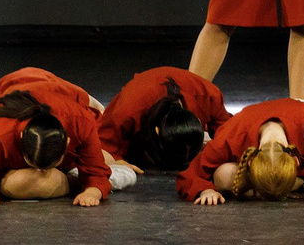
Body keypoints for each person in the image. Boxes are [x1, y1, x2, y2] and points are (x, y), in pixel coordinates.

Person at [0, 70, 113, 206]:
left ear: (67, 143)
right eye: (33, 164)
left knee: (108, 155)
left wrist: (93, 191)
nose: (39, 172)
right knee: (25, 183)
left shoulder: (80, 120)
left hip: (62, 91)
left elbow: (96, 171)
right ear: (21, 138)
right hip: (14, 85)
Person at [179, 98, 304, 206]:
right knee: (223, 176)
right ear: (250, 161)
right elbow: (189, 175)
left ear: (296, 161)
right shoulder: (230, 135)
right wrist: (205, 190)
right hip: (290, 168)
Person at [97, 66, 232, 172]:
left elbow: (228, 135)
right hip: (134, 115)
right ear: (157, 131)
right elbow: (101, 147)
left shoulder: (210, 97)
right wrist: (116, 162)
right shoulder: (125, 113)